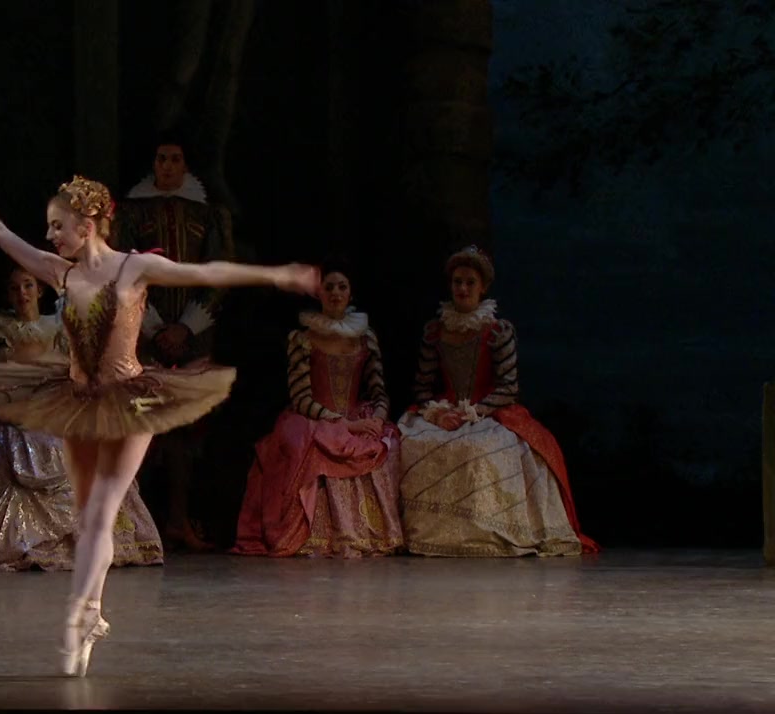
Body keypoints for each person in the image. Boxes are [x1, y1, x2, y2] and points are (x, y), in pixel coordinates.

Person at [0, 174, 316, 676]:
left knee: (102, 508)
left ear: (88, 224)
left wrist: (278, 275)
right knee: (91, 517)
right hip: (79, 402)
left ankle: (82, 613)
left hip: (130, 400)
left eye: (59, 226)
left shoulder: (134, 268)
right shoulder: (60, 272)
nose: (51, 235)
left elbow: (207, 272)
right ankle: (90, 614)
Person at [0, 265, 163, 571]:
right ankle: (26, 543)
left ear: (39, 290)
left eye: (28, 286)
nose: (22, 294)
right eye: (14, 288)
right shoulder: (0, 334)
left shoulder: (58, 331)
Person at [397, 246, 598, 556]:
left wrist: (474, 411)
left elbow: (508, 387)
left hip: (488, 413)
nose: (463, 289)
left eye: (470, 282)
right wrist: (438, 414)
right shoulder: (435, 332)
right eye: (458, 282)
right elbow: (422, 387)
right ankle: (430, 535)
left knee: (481, 448)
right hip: (445, 411)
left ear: (483, 287)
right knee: (414, 444)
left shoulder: (496, 331)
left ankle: (485, 533)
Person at [232, 260, 404, 557]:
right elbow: (301, 397)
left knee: (383, 444)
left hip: (358, 413)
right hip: (315, 417)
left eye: (342, 287)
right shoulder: (304, 339)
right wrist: (343, 424)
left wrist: (377, 418)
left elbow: (378, 390)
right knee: (312, 448)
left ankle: (371, 532)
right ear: (318, 293)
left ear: (350, 293)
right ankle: (320, 533)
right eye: (329, 287)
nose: (335, 293)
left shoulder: (365, 337)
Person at [115, 136, 236, 551]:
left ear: (186, 165)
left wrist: (186, 327)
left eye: (175, 159)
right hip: (144, 335)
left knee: (187, 431)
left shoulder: (207, 214)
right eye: (161, 158)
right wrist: (152, 327)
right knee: (141, 426)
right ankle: (132, 526)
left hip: (194, 337)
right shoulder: (133, 211)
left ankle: (178, 520)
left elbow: (219, 273)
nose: (167, 165)